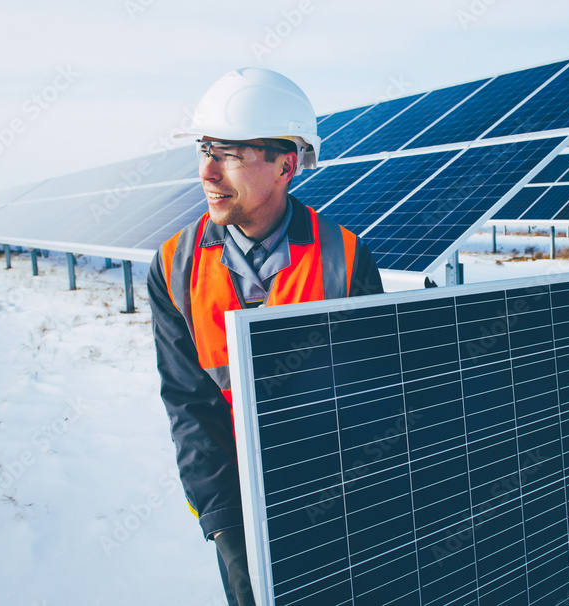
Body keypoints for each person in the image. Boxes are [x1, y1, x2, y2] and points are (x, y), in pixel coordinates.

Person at [147, 67, 384, 606]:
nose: (207, 171)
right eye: (205, 149)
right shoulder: (173, 266)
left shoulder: (345, 259)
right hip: (238, 500)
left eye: (230, 153)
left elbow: (373, 401)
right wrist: (225, 525)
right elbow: (190, 405)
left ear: (287, 164)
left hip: (339, 503)